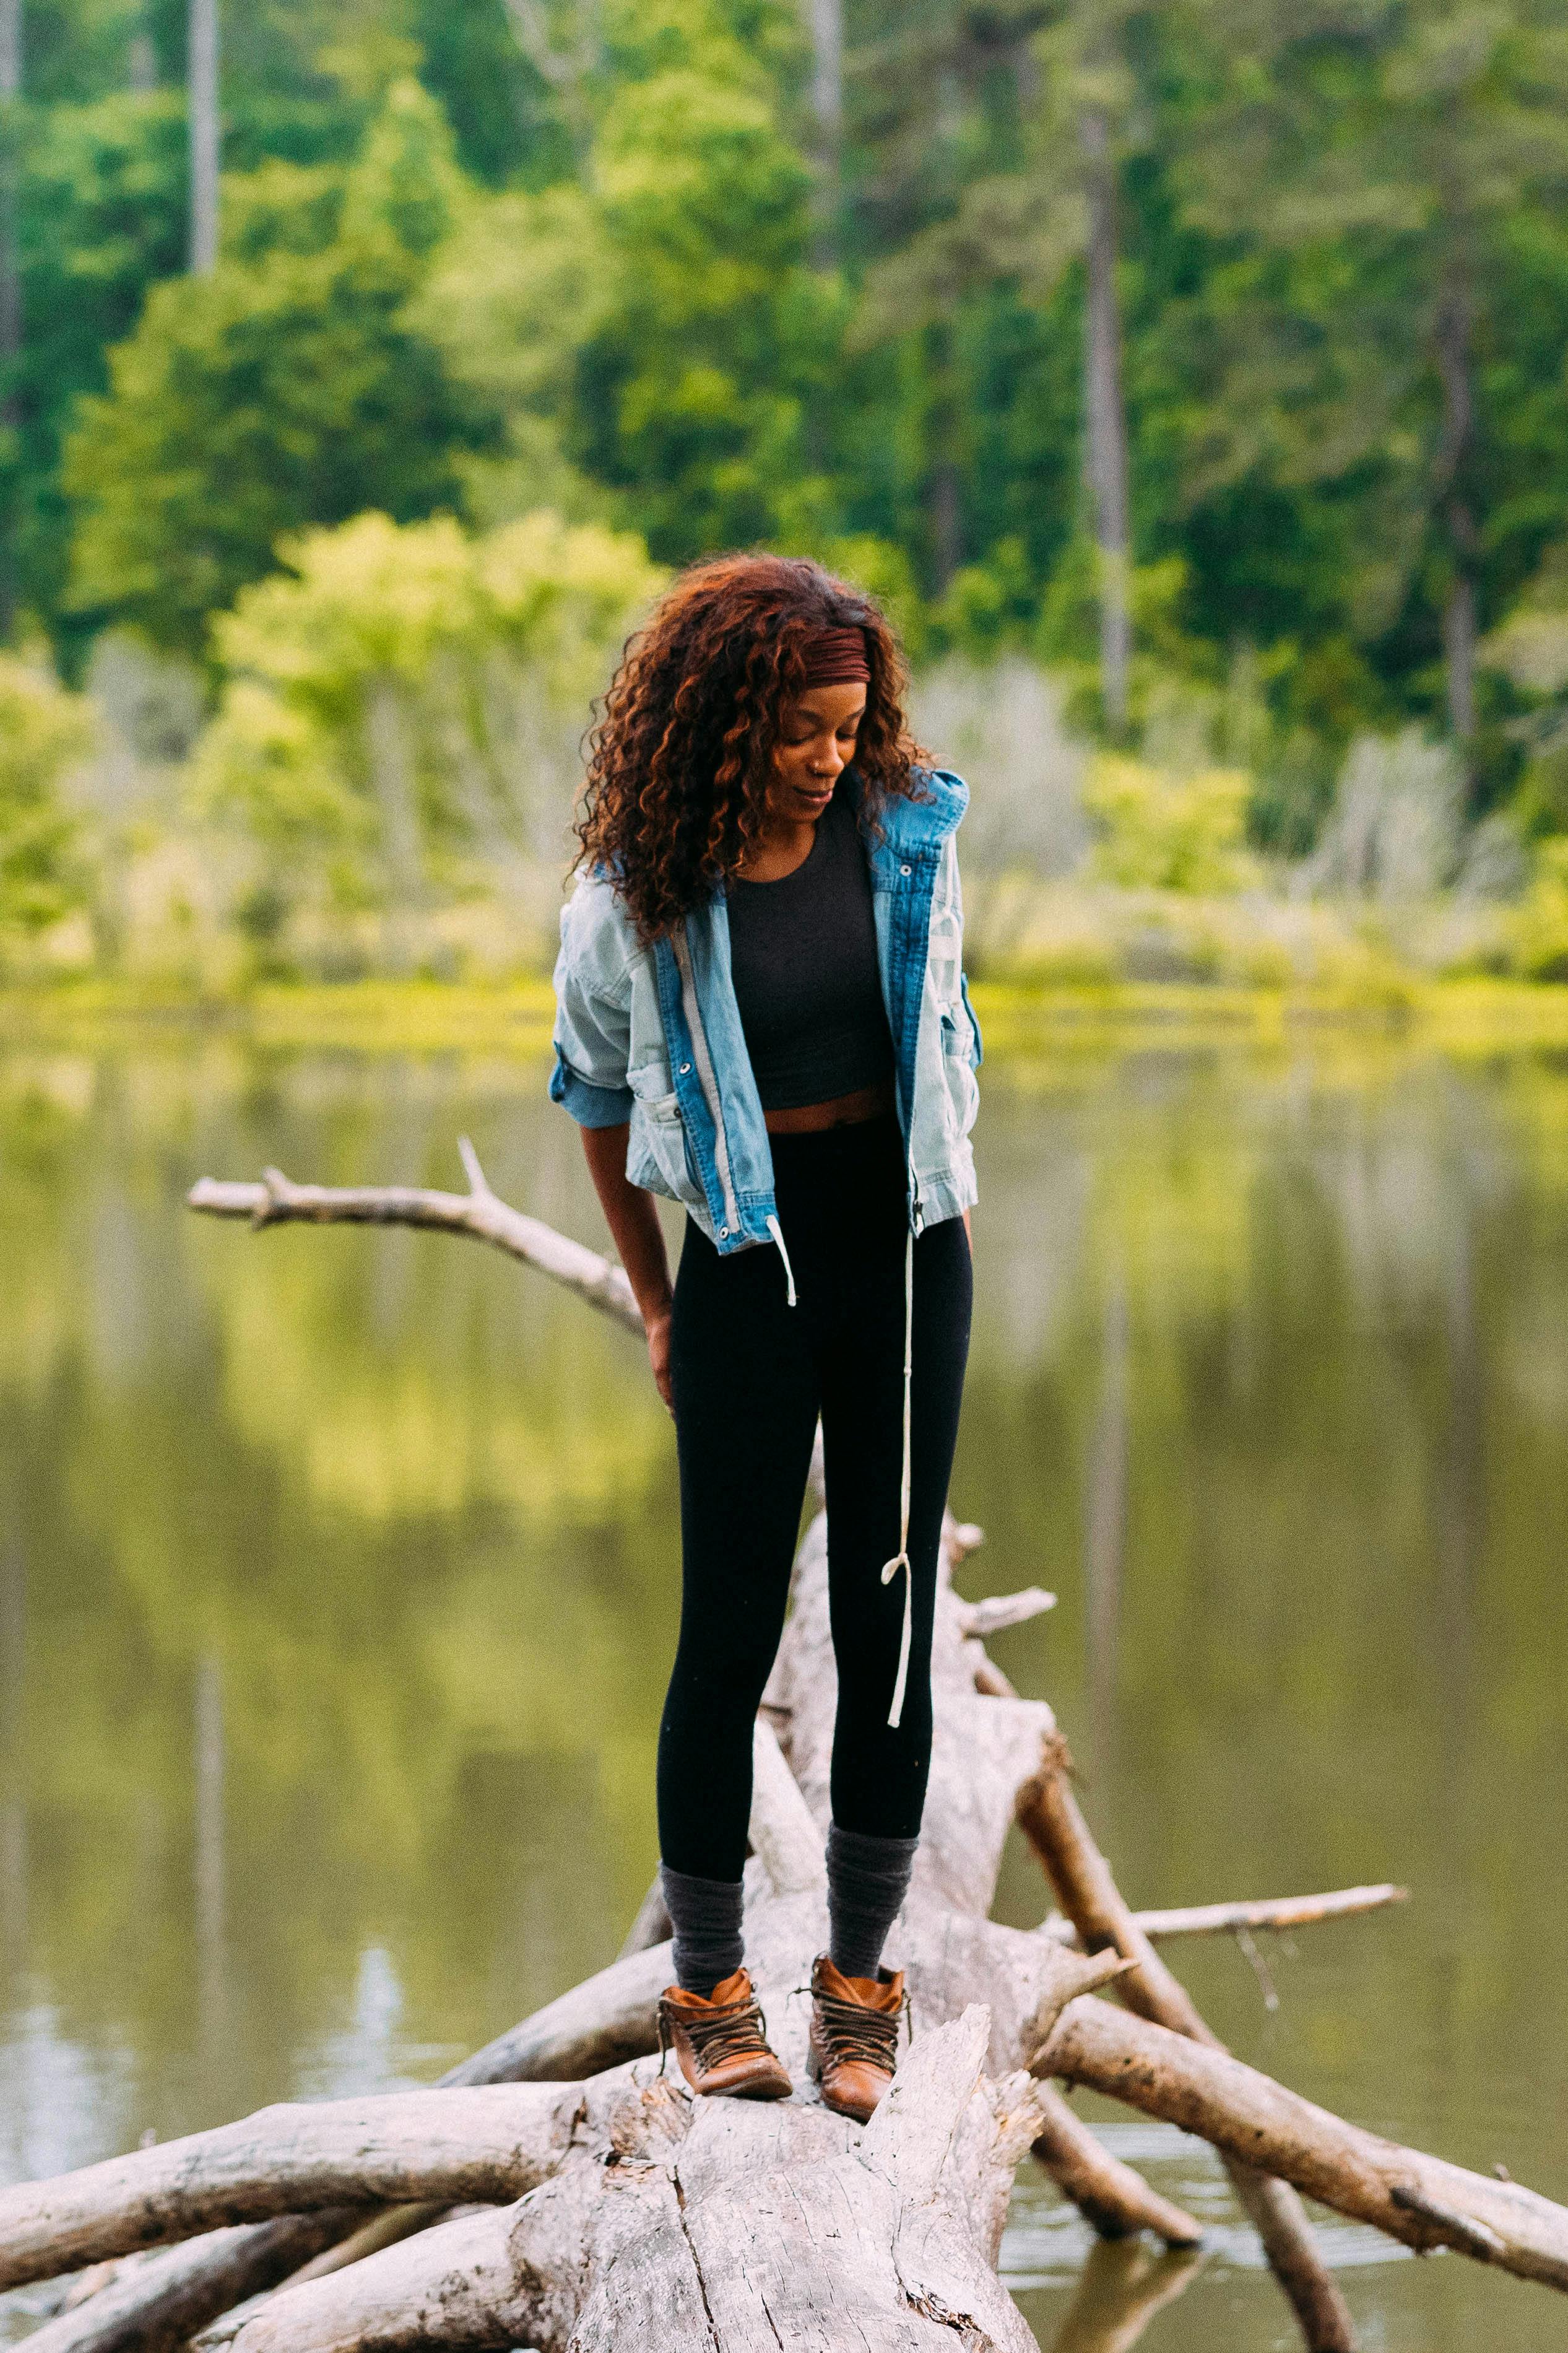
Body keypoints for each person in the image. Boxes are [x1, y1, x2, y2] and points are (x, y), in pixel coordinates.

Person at [548, 552, 980, 2121]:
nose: (829, 753)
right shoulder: (639, 895)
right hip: (744, 1256)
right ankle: (709, 1990)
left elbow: (949, 1037)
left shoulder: (909, 831)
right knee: (725, 1631)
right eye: (801, 725)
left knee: (891, 1608)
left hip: (906, 1252)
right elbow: (592, 1095)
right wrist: (658, 1301)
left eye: (848, 723)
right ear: (726, 716)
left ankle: (859, 1992)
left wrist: (950, 1233)